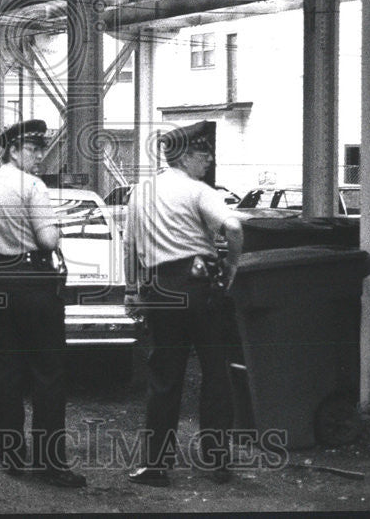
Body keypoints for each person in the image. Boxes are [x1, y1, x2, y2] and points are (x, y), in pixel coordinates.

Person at [0, 119, 87, 488]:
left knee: (6, 368)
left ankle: (11, 456)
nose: (39, 156)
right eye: (33, 150)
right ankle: (50, 463)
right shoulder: (32, 186)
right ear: (13, 150)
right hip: (32, 280)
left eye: (40, 149)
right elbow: (48, 241)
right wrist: (56, 227)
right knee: (48, 371)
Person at [124, 120, 245, 488]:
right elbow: (235, 228)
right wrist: (233, 265)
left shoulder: (139, 192)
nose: (208, 160)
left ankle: (155, 466)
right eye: (202, 153)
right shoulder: (198, 191)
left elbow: (129, 246)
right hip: (201, 285)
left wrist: (132, 291)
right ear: (184, 156)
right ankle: (217, 461)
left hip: (161, 290)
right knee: (215, 371)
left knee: (164, 376)